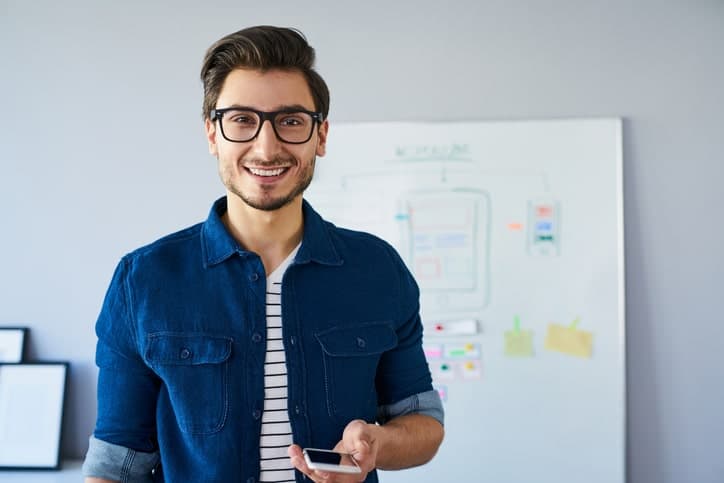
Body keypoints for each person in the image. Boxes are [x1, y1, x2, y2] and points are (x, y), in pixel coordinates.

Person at [82, 25, 444, 483]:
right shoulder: (144, 279)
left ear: (321, 135)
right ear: (213, 134)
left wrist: (379, 444)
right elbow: (114, 464)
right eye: (242, 120)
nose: (267, 146)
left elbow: (424, 423)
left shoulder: (377, 269)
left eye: (291, 121)